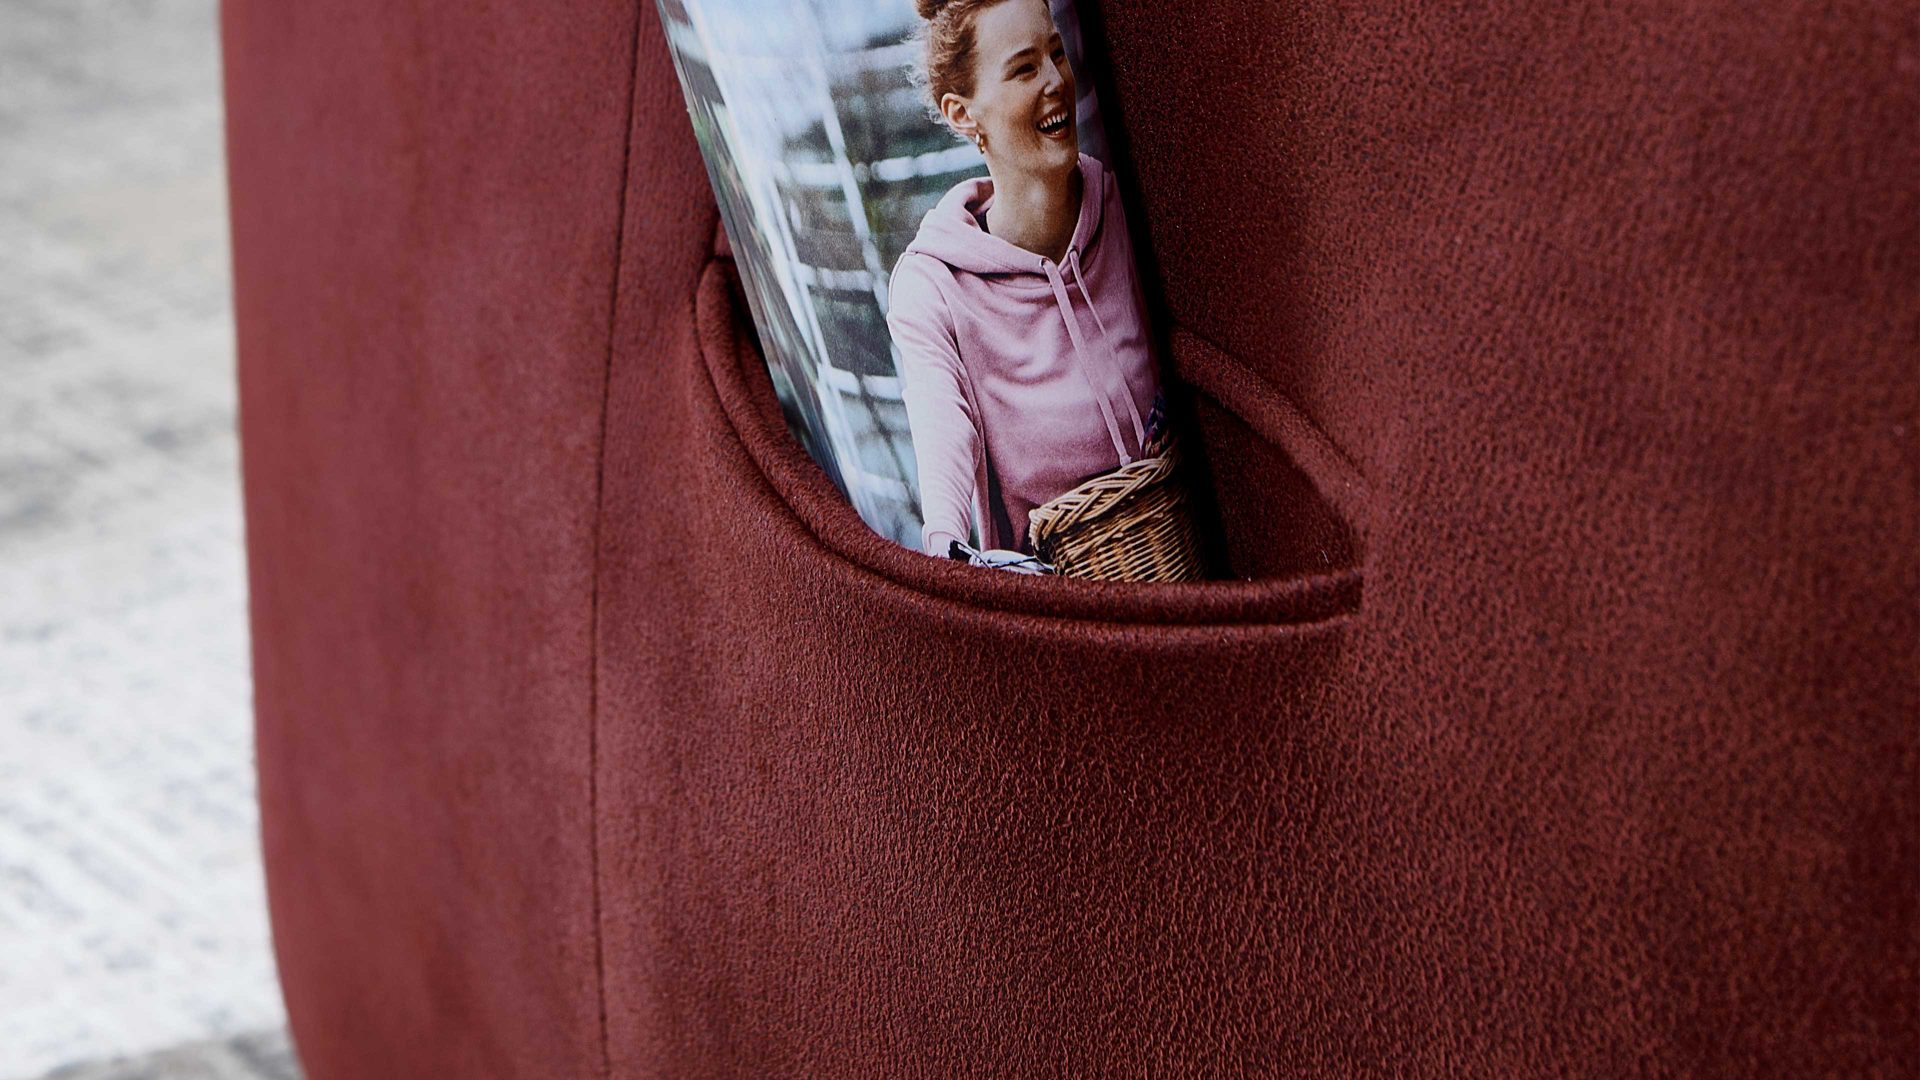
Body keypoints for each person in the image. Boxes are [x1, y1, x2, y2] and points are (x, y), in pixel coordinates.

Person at [888, 0, 1164, 558]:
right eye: (1023, 69)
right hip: (1060, 593)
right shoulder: (933, 286)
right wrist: (944, 546)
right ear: (963, 114)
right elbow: (943, 431)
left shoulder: (1123, 203)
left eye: (1056, 54)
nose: (1056, 81)